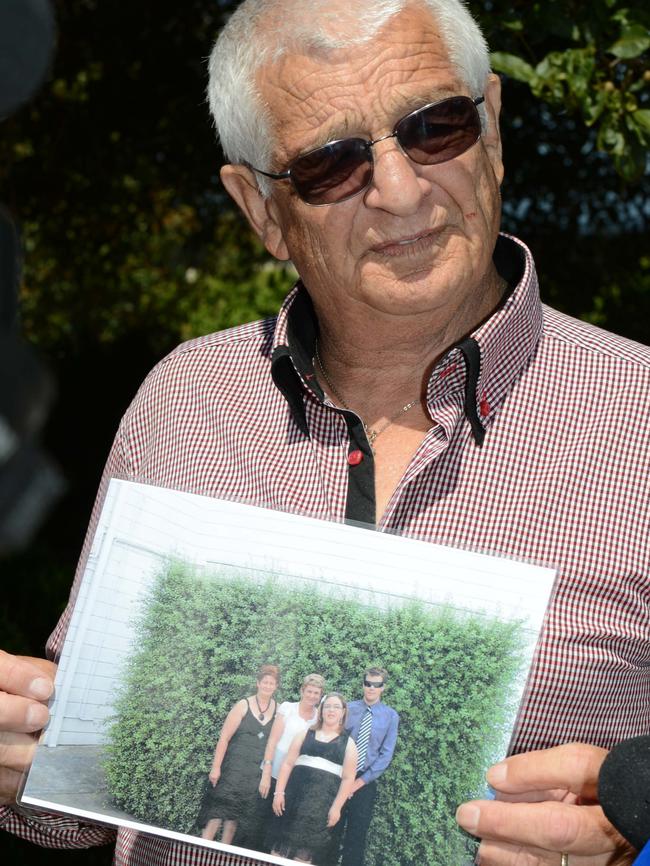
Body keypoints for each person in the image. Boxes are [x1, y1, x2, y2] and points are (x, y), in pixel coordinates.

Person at [1, 0, 648, 864]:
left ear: (491, 127)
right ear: (262, 210)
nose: (402, 189)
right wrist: (21, 756)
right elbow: (82, 799)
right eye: (332, 165)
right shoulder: (185, 403)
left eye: (436, 127)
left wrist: (631, 837)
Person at [271, 693, 358, 864]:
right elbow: (288, 764)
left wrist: (336, 808)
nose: (331, 710)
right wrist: (279, 793)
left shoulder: (349, 744)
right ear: (321, 710)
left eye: (336, 707)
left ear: (343, 712)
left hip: (319, 812)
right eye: (327, 706)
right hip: (291, 804)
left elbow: (348, 779)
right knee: (277, 853)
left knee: (303, 857)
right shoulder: (304, 734)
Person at [197, 665, 279, 846]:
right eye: (264, 682)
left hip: (252, 775)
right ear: (258, 683)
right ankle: (201, 853)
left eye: (271, 683)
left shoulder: (278, 710)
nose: (267, 686)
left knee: (234, 820)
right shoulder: (244, 705)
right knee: (215, 816)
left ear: (276, 686)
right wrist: (216, 767)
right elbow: (224, 738)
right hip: (230, 771)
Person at [341, 667, 399, 866]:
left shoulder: (391, 716)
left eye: (376, 685)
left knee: (357, 835)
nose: (371, 688)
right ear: (363, 684)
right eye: (368, 684)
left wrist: (358, 783)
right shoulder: (347, 708)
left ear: (384, 687)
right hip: (339, 776)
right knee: (329, 828)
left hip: (365, 782)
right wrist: (345, 780)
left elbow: (385, 755)